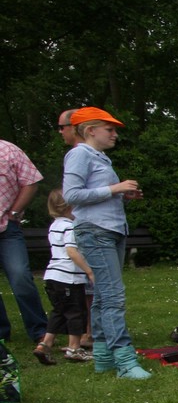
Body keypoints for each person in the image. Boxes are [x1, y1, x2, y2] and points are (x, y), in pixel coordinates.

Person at [62, 107, 151, 379]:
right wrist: (115, 188)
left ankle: (102, 357)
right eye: (109, 129)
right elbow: (71, 195)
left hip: (110, 230)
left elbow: (93, 194)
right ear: (90, 130)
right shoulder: (79, 154)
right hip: (96, 231)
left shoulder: (99, 157)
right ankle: (125, 361)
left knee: (102, 295)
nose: (115, 135)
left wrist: (122, 196)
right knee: (113, 296)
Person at [34, 189, 93, 364]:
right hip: (68, 278)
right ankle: (74, 348)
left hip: (52, 276)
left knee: (59, 311)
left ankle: (45, 344)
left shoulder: (54, 225)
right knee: (76, 312)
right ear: (70, 207)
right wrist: (89, 271)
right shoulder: (70, 226)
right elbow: (72, 252)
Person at [0, 139, 49, 347]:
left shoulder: (8, 150)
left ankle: (39, 330)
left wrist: (14, 212)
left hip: (7, 228)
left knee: (20, 277)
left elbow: (31, 182)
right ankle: (2, 333)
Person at [58, 107, 92, 348]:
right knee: (90, 294)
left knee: (93, 293)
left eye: (62, 127)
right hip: (86, 232)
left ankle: (91, 335)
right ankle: (87, 336)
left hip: (90, 229)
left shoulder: (83, 154)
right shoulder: (80, 155)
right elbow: (73, 194)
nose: (60, 132)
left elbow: (73, 195)